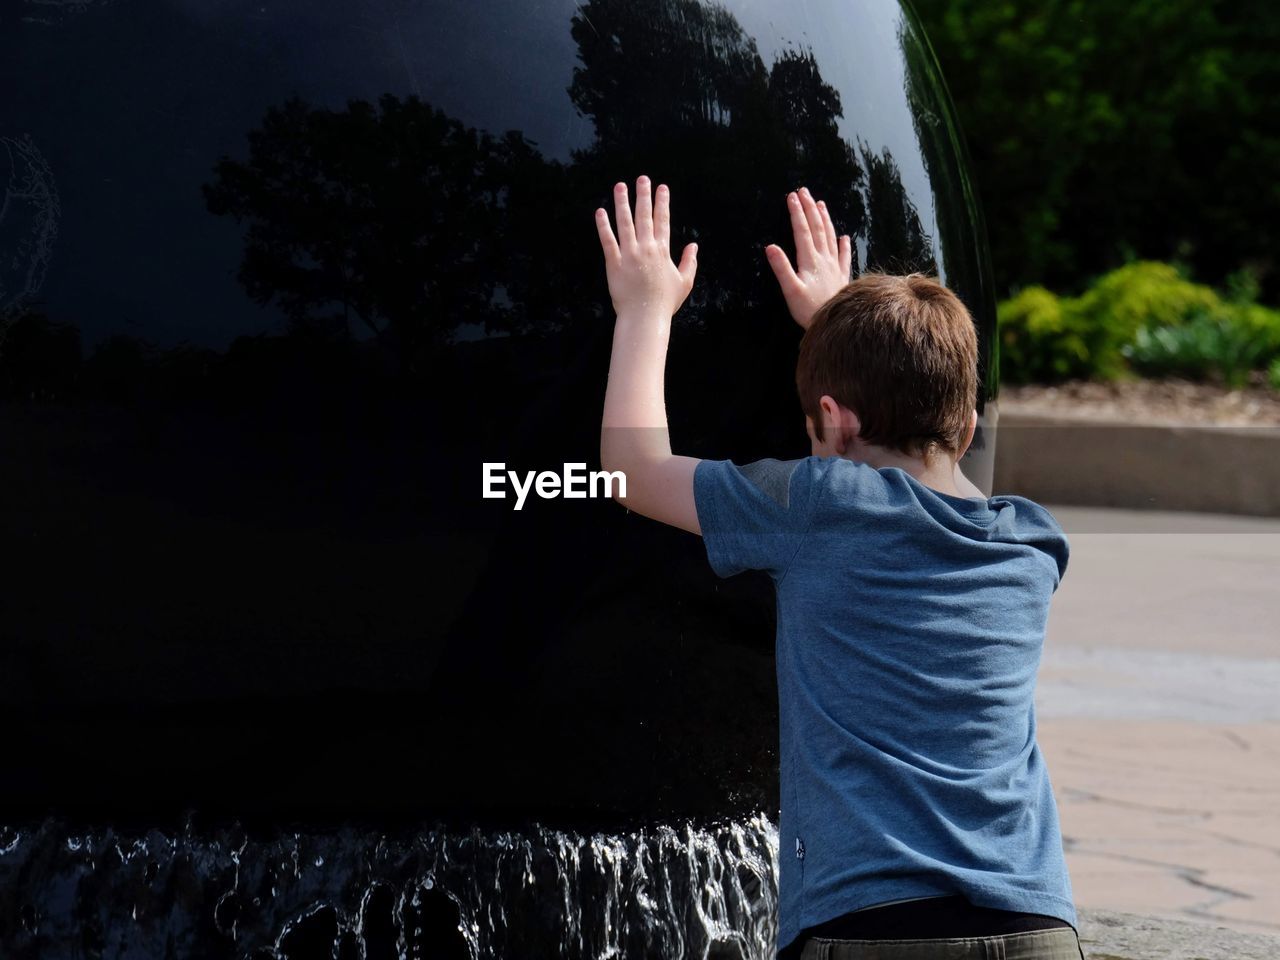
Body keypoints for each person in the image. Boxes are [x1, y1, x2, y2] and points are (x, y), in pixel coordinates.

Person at [594, 176, 1084, 960]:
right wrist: (842, 327)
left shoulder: (817, 504)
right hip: (1033, 926)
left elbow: (629, 467)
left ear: (831, 420)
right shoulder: (1031, 544)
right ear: (964, 424)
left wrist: (646, 307)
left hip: (868, 928)